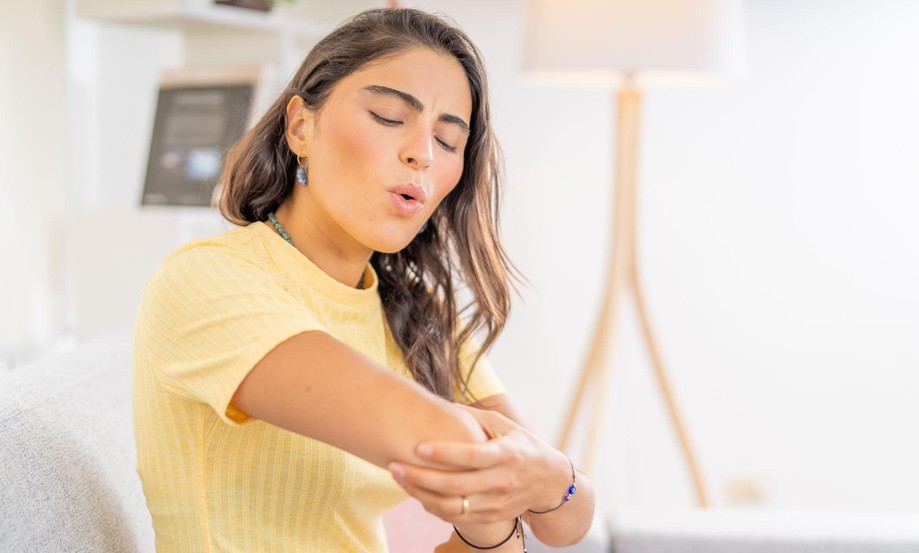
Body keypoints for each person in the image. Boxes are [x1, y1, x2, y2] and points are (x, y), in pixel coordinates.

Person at [132, 8, 594, 552]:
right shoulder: (208, 280)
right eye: (389, 116)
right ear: (301, 126)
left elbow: (567, 521)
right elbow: (494, 460)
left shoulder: (416, 309)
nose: (421, 153)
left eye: (448, 143)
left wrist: (494, 518)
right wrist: (525, 486)